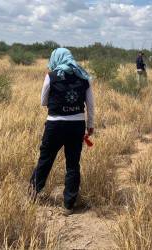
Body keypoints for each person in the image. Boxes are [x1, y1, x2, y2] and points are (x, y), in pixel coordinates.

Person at [30, 48, 94, 216]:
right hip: (77, 125)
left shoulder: (51, 76)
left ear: (56, 58)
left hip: (55, 125)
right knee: (73, 164)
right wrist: (90, 125)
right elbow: (91, 105)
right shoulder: (83, 76)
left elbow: (43, 101)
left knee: (45, 159)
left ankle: (33, 193)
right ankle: (68, 205)